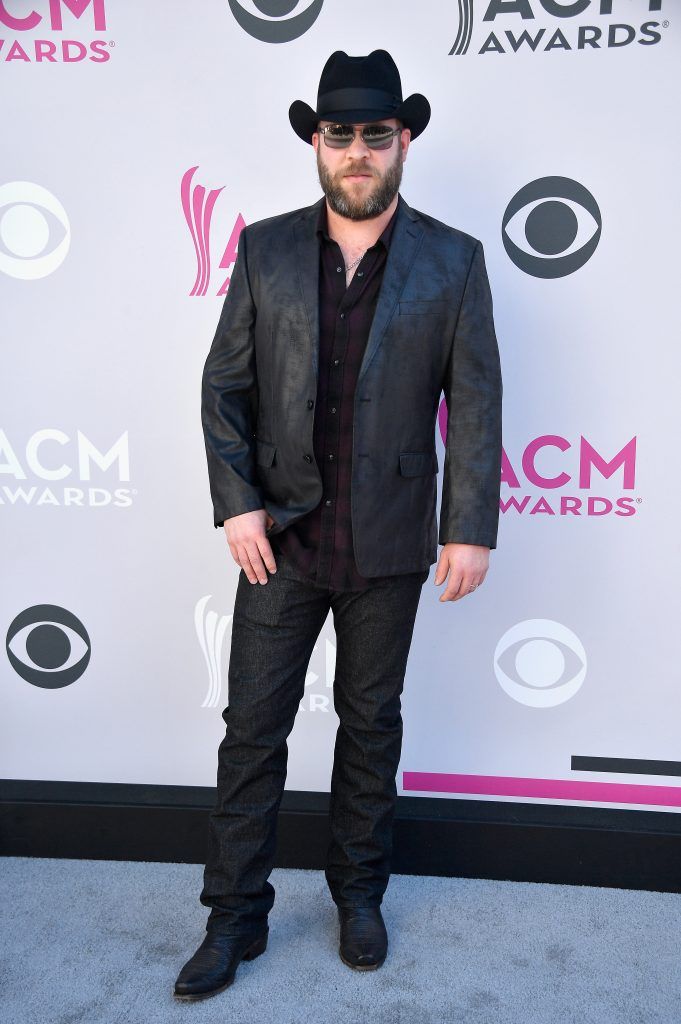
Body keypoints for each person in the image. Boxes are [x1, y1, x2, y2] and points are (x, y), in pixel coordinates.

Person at [174, 48, 503, 1002]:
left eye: (374, 134)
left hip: (392, 539)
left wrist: (467, 524)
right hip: (277, 540)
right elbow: (222, 388)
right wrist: (237, 504)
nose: (356, 151)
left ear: (403, 141)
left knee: (371, 729)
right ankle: (234, 917)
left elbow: (473, 404)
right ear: (315, 144)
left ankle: (359, 897)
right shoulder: (266, 248)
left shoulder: (453, 260)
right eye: (338, 134)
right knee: (252, 732)